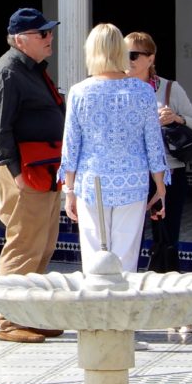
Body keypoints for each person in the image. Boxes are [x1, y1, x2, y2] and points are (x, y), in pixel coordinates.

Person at [0, 8, 65, 343]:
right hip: (23, 171)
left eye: (49, 32)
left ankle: (30, 315)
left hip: (43, 170)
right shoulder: (7, 72)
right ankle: (9, 321)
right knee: (23, 244)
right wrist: (16, 175)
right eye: (43, 33)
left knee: (42, 244)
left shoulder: (31, 70)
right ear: (21, 40)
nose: (50, 38)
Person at [62, 24, 168, 273]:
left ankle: (95, 307)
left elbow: (71, 145)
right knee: (126, 257)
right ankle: (123, 309)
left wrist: (69, 190)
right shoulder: (143, 91)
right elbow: (153, 143)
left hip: (91, 183)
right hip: (132, 181)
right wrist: (160, 186)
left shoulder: (79, 92)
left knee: (93, 257)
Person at [124, 31, 192, 272]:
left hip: (170, 170)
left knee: (166, 234)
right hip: (130, 172)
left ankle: (164, 283)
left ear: (150, 58)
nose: (126, 60)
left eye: (133, 55)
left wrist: (176, 118)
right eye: (122, 54)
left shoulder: (170, 89)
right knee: (128, 233)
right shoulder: (115, 88)